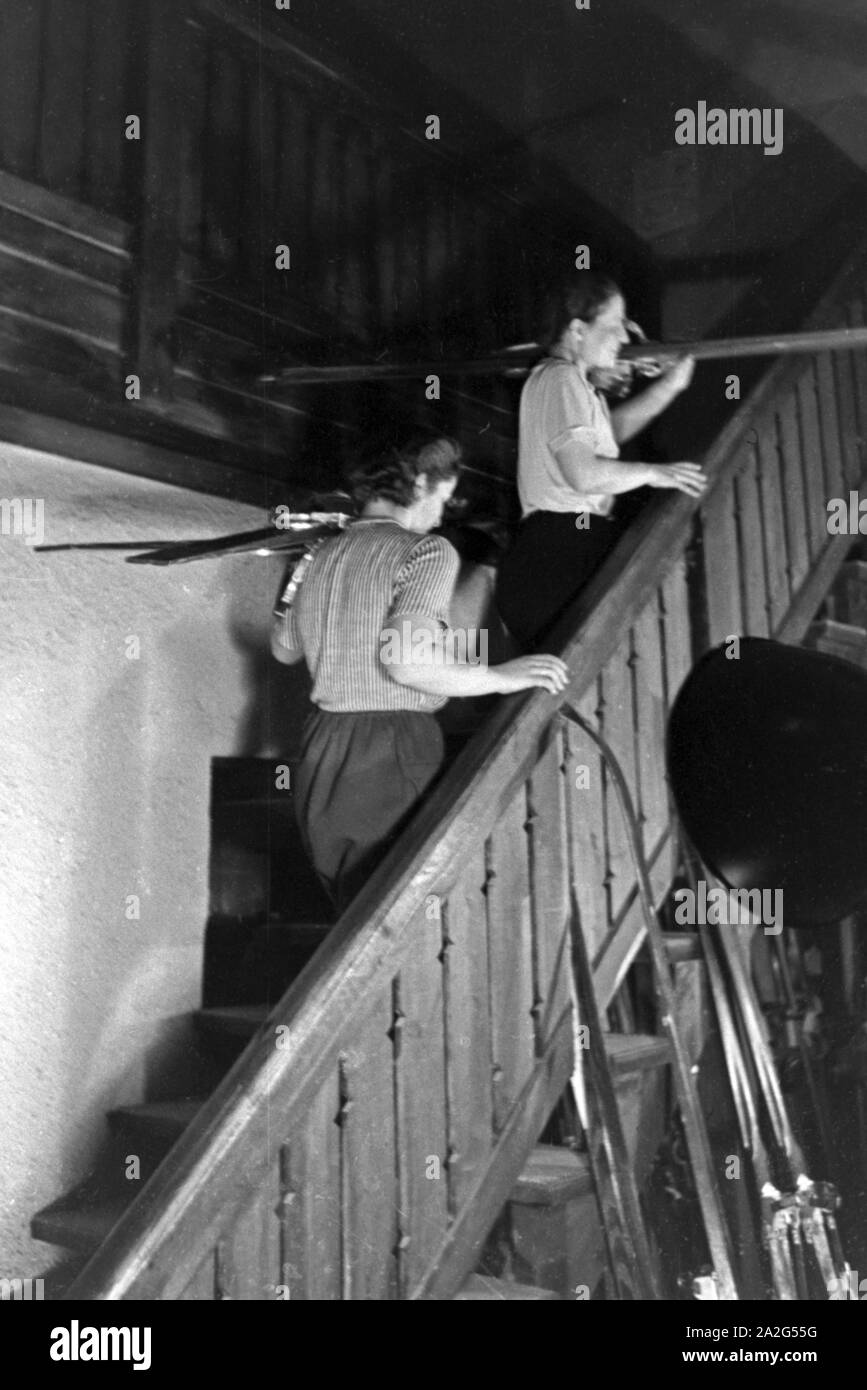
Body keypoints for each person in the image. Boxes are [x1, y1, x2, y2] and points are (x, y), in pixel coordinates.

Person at [271, 434, 569, 914]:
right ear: (422, 483)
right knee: (412, 909)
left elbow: (283, 650)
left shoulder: (319, 555)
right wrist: (502, 676)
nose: (441, 515)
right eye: (444, 499)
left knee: (360, 912)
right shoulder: (427, 552)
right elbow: (407, 661)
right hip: (390, 748)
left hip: (321, 747)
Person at [495, 274, 707, 649]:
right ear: (578, 331)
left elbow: (612, 434)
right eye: (614, 327)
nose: (624, 340)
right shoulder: (562, 380)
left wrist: (671, 386)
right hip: (559, 555)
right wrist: (653, 473)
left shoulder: (568, 382)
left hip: (554, 553)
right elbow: (584, 474)